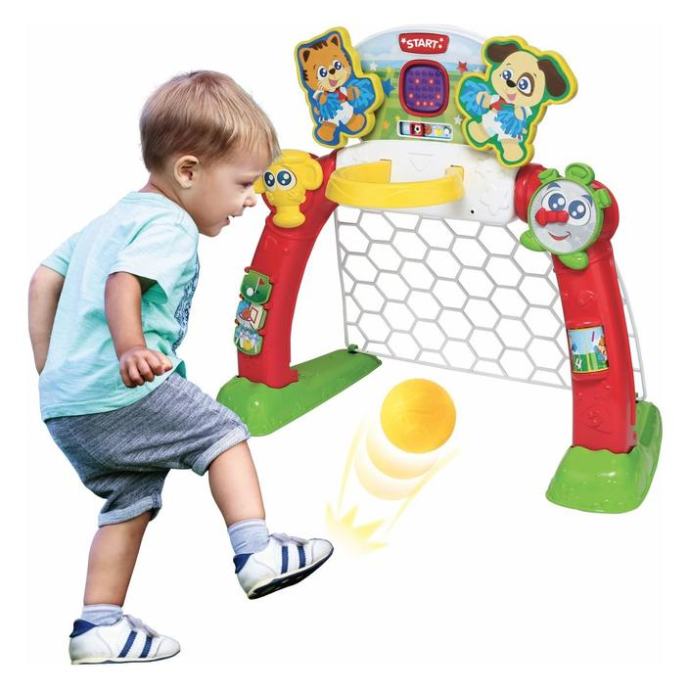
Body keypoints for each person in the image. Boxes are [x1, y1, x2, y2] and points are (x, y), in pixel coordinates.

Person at [28, 70, 333, 665]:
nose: (251, 200)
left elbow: (42, 280)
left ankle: (99, 625)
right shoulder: (168, 223)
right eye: (243, 183)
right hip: (124, 387)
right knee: (223, 434)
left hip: (69, 410)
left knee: (130, 504)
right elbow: (124, 283)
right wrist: (129, 348)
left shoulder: (111, 218)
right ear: (188, 171)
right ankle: (256, 549)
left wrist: (50, 369)